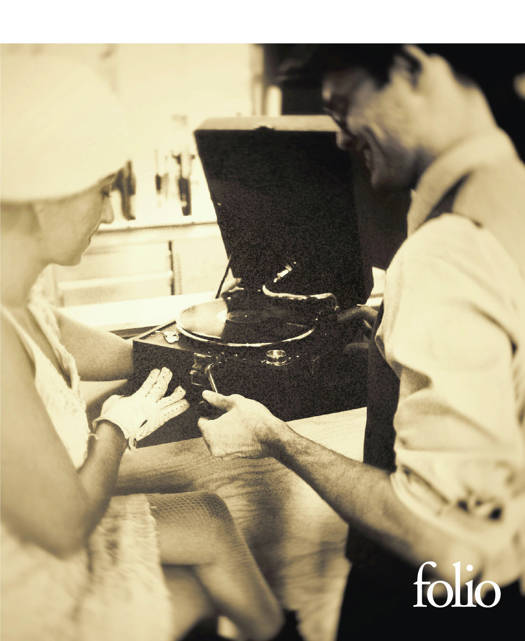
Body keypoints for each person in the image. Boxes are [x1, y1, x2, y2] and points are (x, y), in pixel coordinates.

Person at [198, 44, 525, 629]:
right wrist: (389, 335)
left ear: (411, 66)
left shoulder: (447, 251)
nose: (342, 138)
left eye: (343, 106)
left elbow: (448, 545)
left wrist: (273, 436)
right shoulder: (508, 195)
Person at [0, 55, 290, 641]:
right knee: (195, 593)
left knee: (206, 517)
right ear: (42, 198)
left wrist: (220, 348)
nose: (108, 213)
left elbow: (125, 355)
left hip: (37, 542)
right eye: (102, 190)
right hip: (27, 583)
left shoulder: (22, 303)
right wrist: (116, 428)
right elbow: (65, 528)